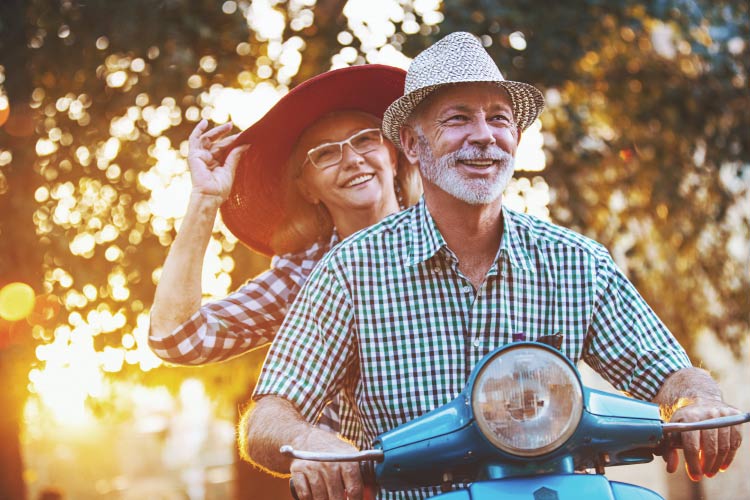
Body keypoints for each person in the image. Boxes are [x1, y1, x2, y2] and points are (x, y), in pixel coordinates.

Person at [242, 32, 744, 500]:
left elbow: (672, 373)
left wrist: (696, 404)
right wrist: (312, 442)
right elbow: (268, 415)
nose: (483, 136)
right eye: (458, 118)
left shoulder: (576, 262)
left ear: (516, 138)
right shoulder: (350, 271)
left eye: (499, 118)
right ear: (413, 146)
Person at [148, 64, 421, 432]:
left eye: (365, 139)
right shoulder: (304, 278)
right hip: (370, 476)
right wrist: (205, 199)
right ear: (307, 188)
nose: (352, 159)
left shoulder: (451, 232)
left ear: (393, 153)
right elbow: (177, 338)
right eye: (325, 154)